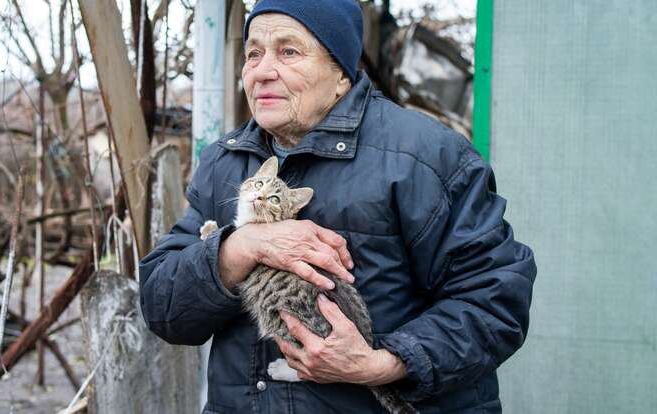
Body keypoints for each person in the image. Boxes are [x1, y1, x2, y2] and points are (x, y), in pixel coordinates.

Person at [139, 0, 536, 412]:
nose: (262, 70)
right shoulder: (225, 161)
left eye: (288, 51)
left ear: (341, 75)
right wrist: (238, 248)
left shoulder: (425, 157)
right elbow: (164, 307)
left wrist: (383, 364)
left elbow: (496, 300)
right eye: (253, 53)